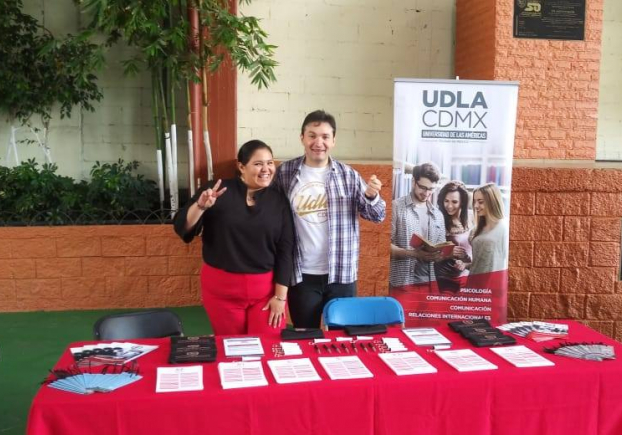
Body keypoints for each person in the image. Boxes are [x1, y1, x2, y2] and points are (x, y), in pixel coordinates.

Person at [273, 110, 386, 328]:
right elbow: (271, 213)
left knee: (342, 336)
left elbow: (377, 215)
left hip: (341, 273)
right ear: (302, 138)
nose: (318, 142)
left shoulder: (348, 175)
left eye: (325, 136)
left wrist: (372, 196)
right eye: (312, 135)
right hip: (301, 275)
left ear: (333, 140)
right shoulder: (285, 173)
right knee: (306, 334)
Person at [173, 140, 294, 336]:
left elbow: (286, 250)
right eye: (258, 164)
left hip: (265, 292)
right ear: (241, 166)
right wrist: (201, 207)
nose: (266, 169)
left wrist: (280, 298)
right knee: (232, 349)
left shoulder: (278, 200)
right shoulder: (217, 190)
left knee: (269, 346)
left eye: (270, 163)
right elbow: (183, 228)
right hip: (222, 292)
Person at [389, 162, 446, 291]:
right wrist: (414, 254)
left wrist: (444, 254)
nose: (427, 193)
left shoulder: (438, 215)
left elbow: (441, 249)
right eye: (423, 188)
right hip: (402, 284)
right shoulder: (396, 207)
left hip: (429, 284)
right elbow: (386, 247)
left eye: (431, 189)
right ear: (413, 182)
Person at [434, 181, 472, 293]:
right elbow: (430, 256)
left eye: (454, 202)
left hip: (468, 274)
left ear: (462, 203)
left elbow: (478, 251)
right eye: (446, 201)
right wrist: (448, 254)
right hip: (445, 279)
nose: (449, 206)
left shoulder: (472, 217)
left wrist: (466, 263)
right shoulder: (438, 221)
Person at [468, 183, 509, 277]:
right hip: (473, 286)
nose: (476, 206)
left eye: (480, 202)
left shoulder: (504, 228)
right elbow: (478, 263)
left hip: (493, 286)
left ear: (492, 202)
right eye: (474, 201)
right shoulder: (475, 230)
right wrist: (464, 263)